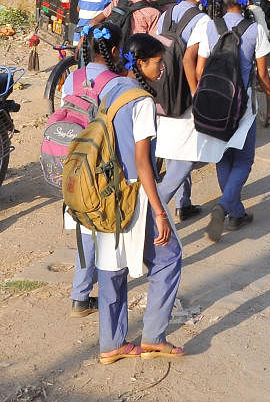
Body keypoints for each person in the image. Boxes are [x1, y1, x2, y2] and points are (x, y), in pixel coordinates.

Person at [91, 33, 185, 364]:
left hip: (105, 191)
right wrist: (159, 211)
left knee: (110, 268)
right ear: (141, 63)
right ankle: (153, 337)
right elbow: (143, 162)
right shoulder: (142, 102)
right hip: (134, 193)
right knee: (169, 257)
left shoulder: (112, 87)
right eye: (158, 62)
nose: (162, 69)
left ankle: (111, 343)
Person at [195, 0, 270, 241]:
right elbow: (263, 75)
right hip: (242, 106)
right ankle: (223, 207)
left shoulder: (210, 27)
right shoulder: (255, 30)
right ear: (246, 1)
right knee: (243, 160)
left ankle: (236, 212)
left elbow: (199, 70)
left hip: (215, 103)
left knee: (223, 158)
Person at [60, 25, 122, 318]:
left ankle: (80, 294)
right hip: (99, 167)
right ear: (113, 51)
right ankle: (81, 296)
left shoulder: (72, 78)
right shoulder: (115, 84)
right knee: (98, 229)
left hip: (72, 163)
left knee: (83, 229)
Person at [152, 0, 216, 222]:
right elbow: (195, 63)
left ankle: (184, 203)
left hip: (161, 90)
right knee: (186, 156)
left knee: (171, 146)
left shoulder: (166, 14)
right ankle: (154, 205)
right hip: (184, 94)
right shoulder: (203, 21)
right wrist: (196, 93)